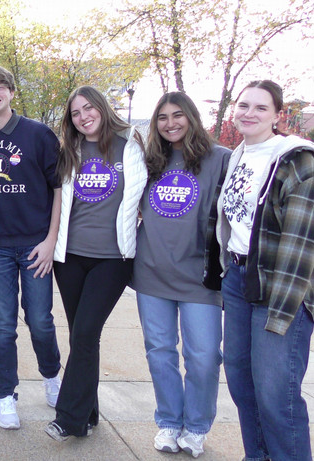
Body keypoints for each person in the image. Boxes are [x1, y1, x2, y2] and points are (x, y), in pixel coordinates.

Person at [217, 80, 314, 461]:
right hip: (239, 279)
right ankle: (257, 455)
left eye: (260, 108)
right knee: (241, 382)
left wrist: (282, 311)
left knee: (277, 394)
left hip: (282, 286)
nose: (249, 113)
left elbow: (301, 243)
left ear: (278, 115)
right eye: (243, 105)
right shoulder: (239, 154)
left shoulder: (297, 160)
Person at [131, 92, 230, 457]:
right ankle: (170, 421)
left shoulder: (220, 158)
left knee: (203, 357)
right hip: (152, 272)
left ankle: (197, 426)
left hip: (200, 277)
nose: (170, 123)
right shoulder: (150, 161)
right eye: (162, 117)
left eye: (177, 115)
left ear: (191, 116)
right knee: (159, 352)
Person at [45, 85, 146, 441]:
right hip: (70, 258)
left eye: (89, 108)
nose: (83, 116)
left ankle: (68, 419)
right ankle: (89, 413)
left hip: (113, 259)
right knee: (81, 336)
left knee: (86, 332)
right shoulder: (69, 151)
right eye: (76, 113)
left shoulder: (131, 145)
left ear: (102, 108)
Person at [0, 65, 62, 430]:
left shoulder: (38, 134)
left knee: (39, 320)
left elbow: (59, 189)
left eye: (0, 86)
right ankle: (5, 395)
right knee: (3, 324)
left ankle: (52, 376)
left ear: (11, 92)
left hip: (35, 244)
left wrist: (51, 240)